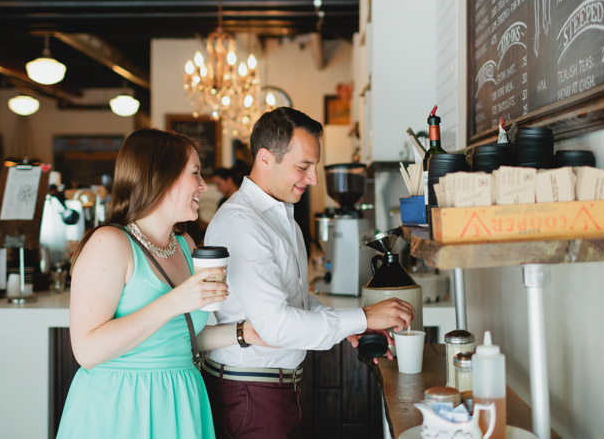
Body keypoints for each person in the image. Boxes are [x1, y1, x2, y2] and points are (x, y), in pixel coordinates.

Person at [203, 107, 415, 439]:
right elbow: (276, 326)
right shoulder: (241, 223)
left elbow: (297, 299)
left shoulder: (281, 215)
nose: (313, 179)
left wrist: (349, 325)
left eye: (314, 167)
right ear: (265, 158)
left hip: (275, 389)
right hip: (249, 393)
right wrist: (363, 316)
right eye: (303, 167)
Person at [57, 128, 266, 439]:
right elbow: (87, 351)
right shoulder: (110, 243)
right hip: (121, 405)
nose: (204, 185)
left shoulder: (185, 244)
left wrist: (244, 333)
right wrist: (174, 302)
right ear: (162, 177)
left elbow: (178, 337)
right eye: (195, 173)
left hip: (181, 399)